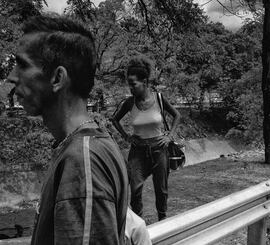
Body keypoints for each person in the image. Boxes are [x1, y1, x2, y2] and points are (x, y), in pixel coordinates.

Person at [7, 16, 129, 245]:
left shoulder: (82, 161)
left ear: (57, 78)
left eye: (22, 64)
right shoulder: (90, 145)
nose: (11, 76)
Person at [111, 55, 181, 221]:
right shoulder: (129, 103)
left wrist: (170, 136)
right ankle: (138, 225)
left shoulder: (159, 98)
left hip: (159, 149)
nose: (131, 88)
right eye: (129, 84)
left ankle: (162, 221)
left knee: (161, 189)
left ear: (144, 82)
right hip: (138, 151)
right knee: (135, 189)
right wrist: (126, 137)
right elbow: (114, 119)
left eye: (133, 84)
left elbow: (177, 115)